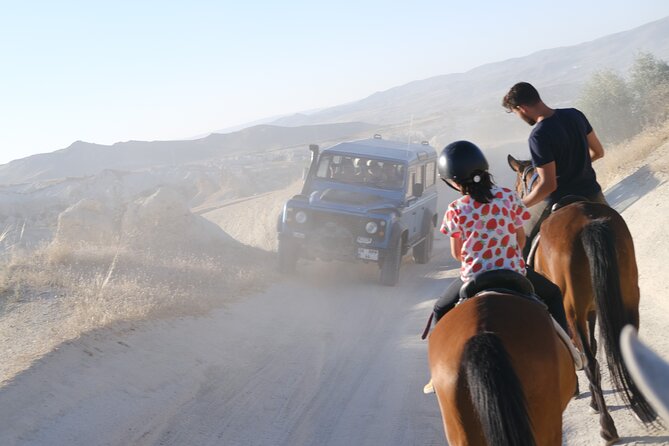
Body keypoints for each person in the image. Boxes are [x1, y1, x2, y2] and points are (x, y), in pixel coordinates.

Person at [432, 140, 568, 332]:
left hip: (474, 276)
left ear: (454, 181)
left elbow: (457, 254)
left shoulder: (455, 209)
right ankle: (572, 352)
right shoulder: (509, 197)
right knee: (553, 294)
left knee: (440, 308)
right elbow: (521, 240)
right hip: (513, 270)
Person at [502, 82, 608, 257]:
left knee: (521, 244)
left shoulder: (538, 135)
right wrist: (578, 164)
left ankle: (528, 282)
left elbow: (548, 185)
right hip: (592, 193)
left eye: (516, 113)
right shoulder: (575, 115)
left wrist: (519, 206)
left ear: (521, 108)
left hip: (557, 198)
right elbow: (598, 152)